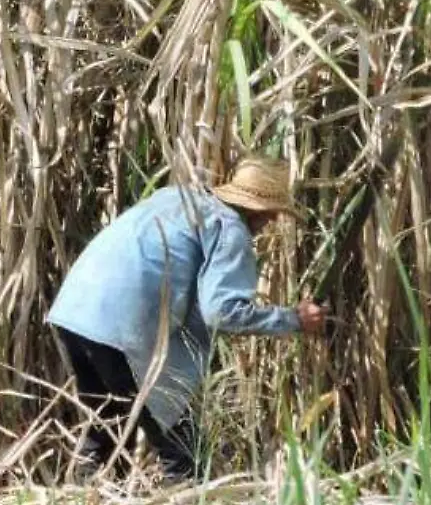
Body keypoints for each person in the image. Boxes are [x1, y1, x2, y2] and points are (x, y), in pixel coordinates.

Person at [46, 155, 328, 482]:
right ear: (261, 212)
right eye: (270, 218)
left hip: (73, 311)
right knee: (185, 451)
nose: (267, 225)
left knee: (104, 430)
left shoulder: (175, 198)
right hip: (121, 328)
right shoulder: (230, 228)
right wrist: (293, 319)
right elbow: (222, 311)